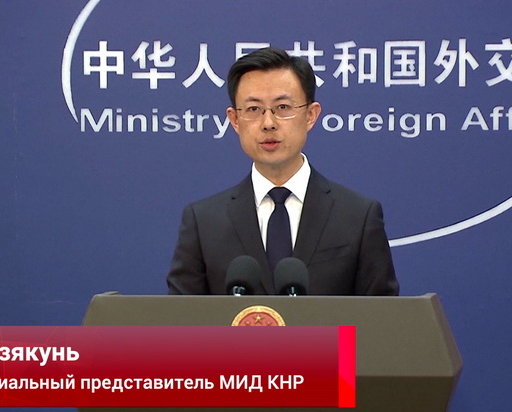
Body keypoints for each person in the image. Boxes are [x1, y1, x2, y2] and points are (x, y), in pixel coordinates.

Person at [167, 47, 399, 296]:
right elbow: (182, 318)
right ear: (234, 120)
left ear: (310, 115)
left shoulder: (358, 216)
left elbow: (382, 316)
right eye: (253, 109)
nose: (268, 123)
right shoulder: (203, 223)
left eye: (283, 107)